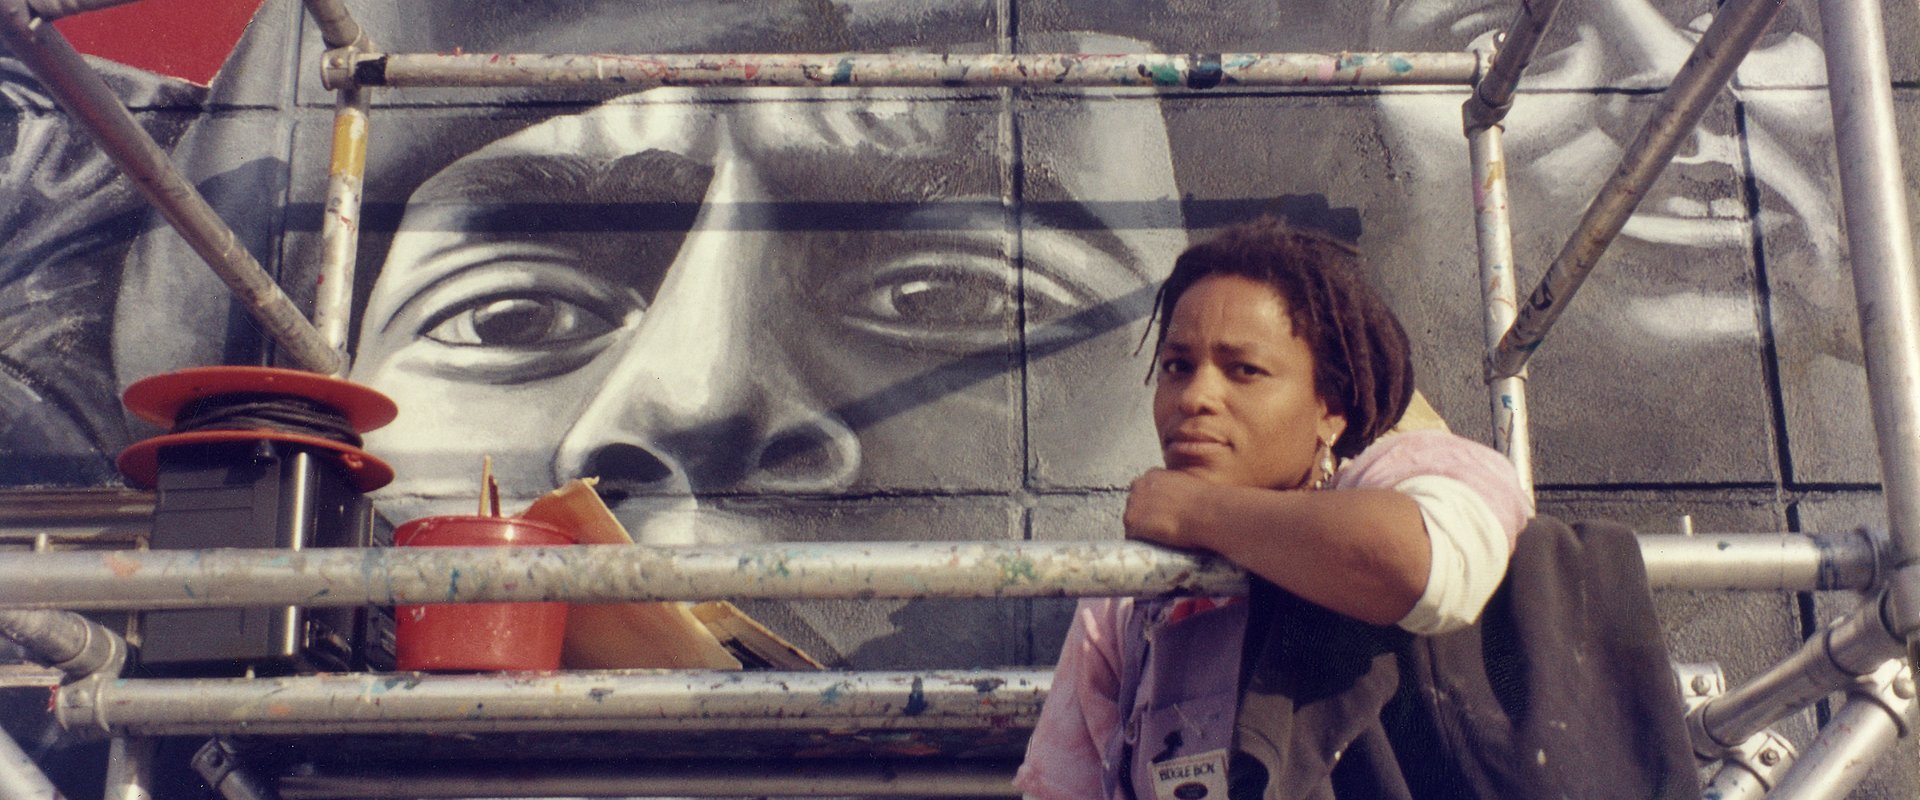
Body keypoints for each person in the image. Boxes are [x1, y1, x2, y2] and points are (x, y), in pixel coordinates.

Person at [1014, 219, 1532, 799]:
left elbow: (1420, 569)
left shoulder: (1407, 473)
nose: (1195, 397)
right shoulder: (1127, 599)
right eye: (1177, 366)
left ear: (1329, 409)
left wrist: (1197, 511)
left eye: (1245, 370)